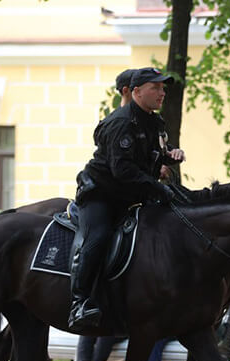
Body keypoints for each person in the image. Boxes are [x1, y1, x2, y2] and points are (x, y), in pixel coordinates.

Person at [67, 66, 185, 332]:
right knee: (97, 237)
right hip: (101, 195)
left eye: (163, 87)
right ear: (135, 92)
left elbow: (149, 155)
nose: (162, 92)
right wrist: (157, 188)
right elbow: (123, 170)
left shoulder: (154, 121)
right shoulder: (120, 122)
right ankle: (79, 302)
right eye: (155, 87)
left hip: (132, 196)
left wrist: (171, 156)